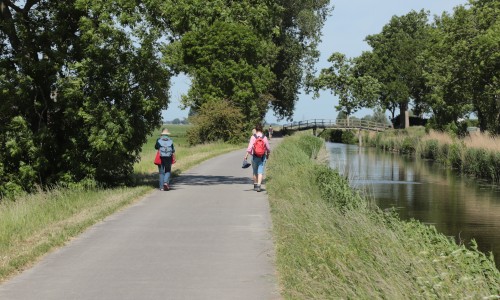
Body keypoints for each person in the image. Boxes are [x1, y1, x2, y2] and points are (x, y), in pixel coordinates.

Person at [244, 124, 271, 192]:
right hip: (262, 157)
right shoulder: (264, 137)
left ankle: (255, 185)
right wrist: (267, 154)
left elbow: (249, 148)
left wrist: (246, 156)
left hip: (254, 156)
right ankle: (259, 186)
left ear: (255, 129)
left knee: (255, 171)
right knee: (260, 172)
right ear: (262, 129)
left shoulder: (253, 137)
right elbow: (268, 148)